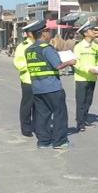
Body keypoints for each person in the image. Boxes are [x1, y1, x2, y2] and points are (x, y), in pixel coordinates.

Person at [24, 20, 76, 149]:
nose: (50, 34)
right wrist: (70, 62)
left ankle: (43, 141)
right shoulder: (46, 49)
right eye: (48, 31)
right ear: (43, 33)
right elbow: (58, 65)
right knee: (59, 113)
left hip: (37, 87)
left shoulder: (29, 50)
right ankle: (60, 141)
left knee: (42, 115)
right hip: (52, 87)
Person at [73, 20, 98, 132]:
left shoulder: (96, 47)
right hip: (81, 78)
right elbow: (76, 63)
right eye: (92, 30)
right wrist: (88, 69)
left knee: (88, 101)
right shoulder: (79, 47)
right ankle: (80, 123)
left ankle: (85, 119)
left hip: (92, 77)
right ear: (85, 33)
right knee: (81, 101)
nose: (94, 32)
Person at [13, 28, 35, 137]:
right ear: (30, 33)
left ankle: (38, 125)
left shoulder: (42, 44)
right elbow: (18, 63)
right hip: (28, 79)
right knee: (27, 105)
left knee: (40, 105)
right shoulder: (23, 46)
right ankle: (26, 128)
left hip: (41, 80)